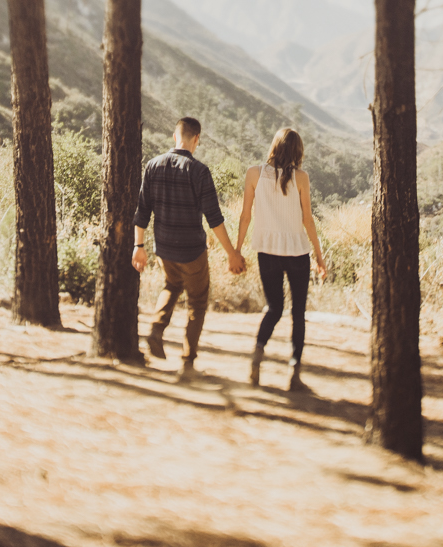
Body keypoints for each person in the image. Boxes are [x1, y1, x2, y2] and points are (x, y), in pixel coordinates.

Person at [132, 116, 243, 380]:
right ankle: (188, 362)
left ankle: (156, 330)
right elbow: (214, 218)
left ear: (175, 136)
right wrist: (231, 253)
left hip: (164, 248)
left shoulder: (152, 165)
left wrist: (139, 246)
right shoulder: (199, 171)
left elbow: (141, 212)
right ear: (196, 140)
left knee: (171, 285)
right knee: (197, 303)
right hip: (192, 251)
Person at [233, 126, 329, 393]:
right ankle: (295, 372)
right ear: (298, 151)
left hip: (267, 251)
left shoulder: (254, 173)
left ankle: (257, 355)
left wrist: (237, 250)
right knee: (298, 313)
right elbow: (307, 220)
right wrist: (319, 257)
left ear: (274, 147)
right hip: (297, 252)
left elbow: (245, 216)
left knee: (274, 308)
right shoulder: (302, 178)